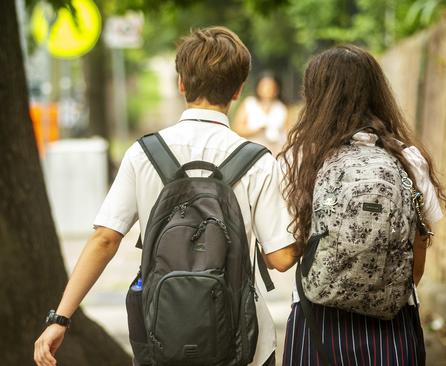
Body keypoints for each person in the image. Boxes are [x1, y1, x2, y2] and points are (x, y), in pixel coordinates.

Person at [33, 26, 298, 366]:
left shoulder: (144, 153)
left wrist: (61, 318)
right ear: (238, 91)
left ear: (181, 83)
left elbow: (105, 239)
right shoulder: (258, 161)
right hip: (243, 342)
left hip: (161, 335)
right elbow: (281, 259)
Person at [278, 45, 446, 365]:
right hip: (393, 321)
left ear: (315, 96)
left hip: (318, 320)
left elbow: (290, 245)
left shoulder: (303, 159)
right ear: (377, 92)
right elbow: (419, 245)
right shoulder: (408, 160)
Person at [234, 74, 288, 154]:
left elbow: (288, 132)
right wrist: (257, 130)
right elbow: (237, 128)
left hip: (274, 153)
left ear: (276, 89)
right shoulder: (249, 103)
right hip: (251, 153)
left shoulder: (281, 108)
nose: (267, 90)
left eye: (270, 87)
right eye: (264, 86)